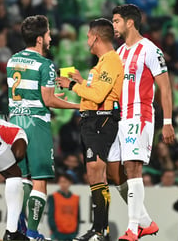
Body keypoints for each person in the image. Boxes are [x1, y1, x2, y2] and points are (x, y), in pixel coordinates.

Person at [6, 15, 79, 240]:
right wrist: (79, 105)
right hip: (36, 124)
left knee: (24, 177)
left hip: (16, 123)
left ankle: (19, 227)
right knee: (40, 180)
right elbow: (49, 101)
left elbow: (29, 93)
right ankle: (33, 232)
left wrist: (49, 95)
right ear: (39, 39)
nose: (50, 38)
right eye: (47, 34)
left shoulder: (12, 60)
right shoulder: (46, 64)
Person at [107, 4, 175, 241]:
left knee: (134, 167)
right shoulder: (120, 52)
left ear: (130, 22)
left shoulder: (150, 50)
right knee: (115, 171)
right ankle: (146, 222)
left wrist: (167, 121)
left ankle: (133, 228)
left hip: (140, 114)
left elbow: (165, 87)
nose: (113, 26)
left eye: (116, 21)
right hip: (120, 117)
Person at [56, 18, 124, 241]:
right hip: (92, 121)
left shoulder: (111, 61)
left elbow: (97, 96)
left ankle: (99, 230)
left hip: (101, 121)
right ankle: (99, 230)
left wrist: (72, 85)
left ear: (95, 37)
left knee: (97, 171)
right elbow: (95, 91)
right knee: (95, 173)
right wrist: (82, 80)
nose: (86, 40)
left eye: (87, 36)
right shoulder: (102, 62)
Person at [47, 172, 80, 241]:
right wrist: (55, 231)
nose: (63, 184)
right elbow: (50, 216)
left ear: (70, 183)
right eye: (61, 182)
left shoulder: (75, 198)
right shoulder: (53, 197)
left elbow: (77, 216)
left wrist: (75, 232)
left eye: (65, 182)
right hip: (58, 233)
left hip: (71, 233)